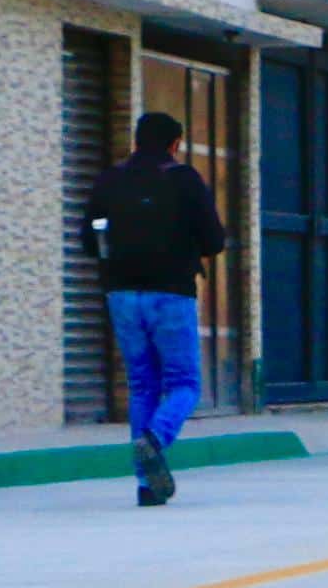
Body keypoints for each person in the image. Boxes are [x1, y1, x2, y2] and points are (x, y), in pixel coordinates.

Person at [83, 110, 229, 507]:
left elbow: (90, 237)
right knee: (184, 384)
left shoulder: (109, 180)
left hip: (122, 294)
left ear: (135, 141)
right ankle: (155, 438)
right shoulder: (184, 180)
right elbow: (214, 240)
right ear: (175, 144)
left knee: (142, 384)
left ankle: (146, 486)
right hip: (171, 293)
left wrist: (115, 255)